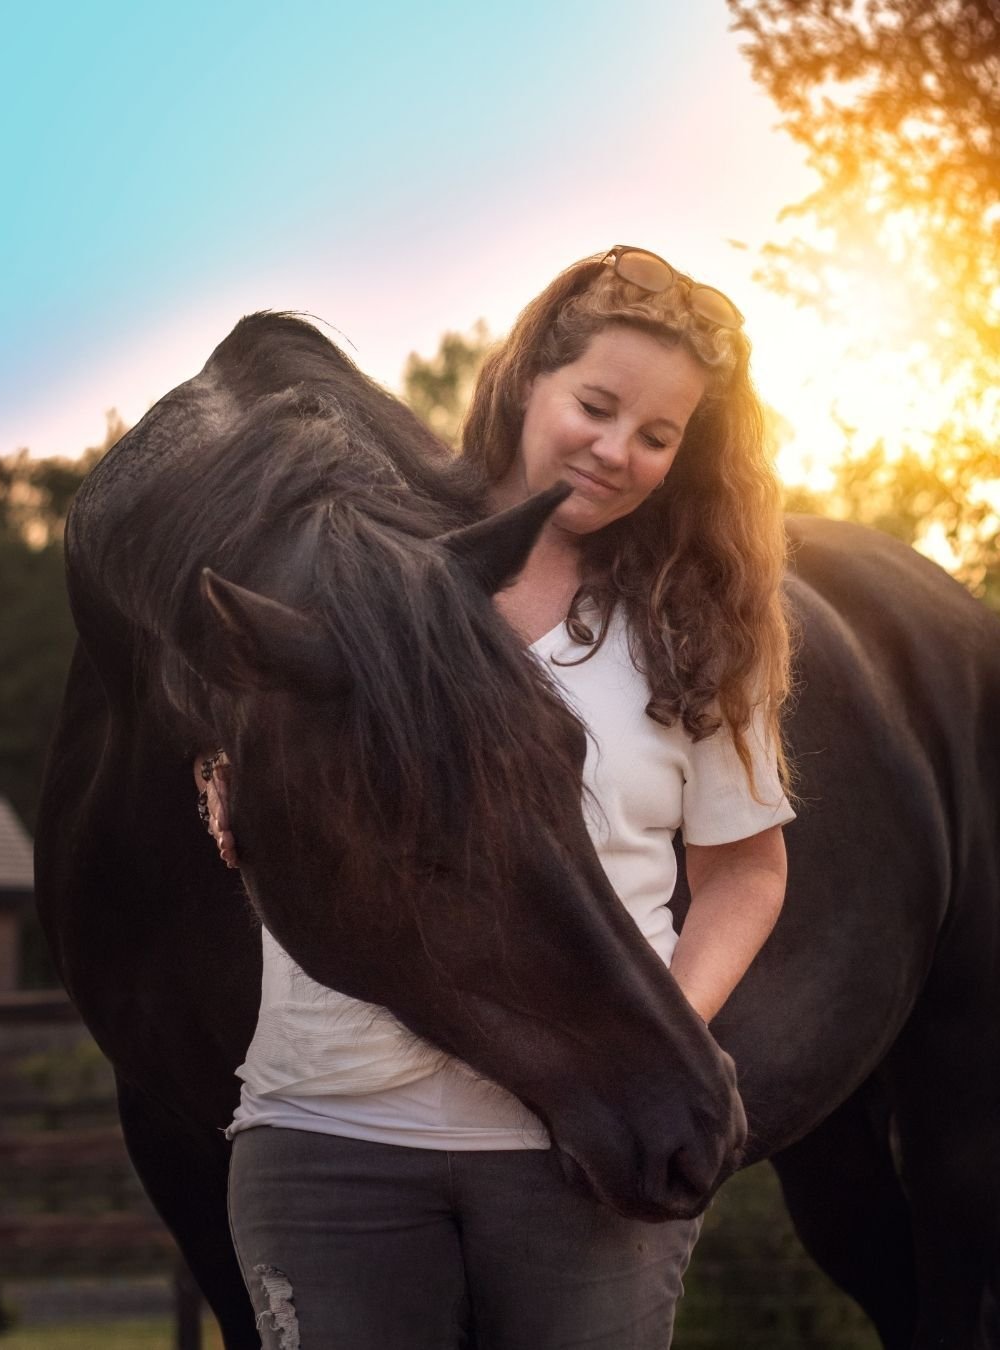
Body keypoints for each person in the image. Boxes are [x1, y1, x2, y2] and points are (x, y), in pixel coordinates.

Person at [198, 245, 795, 1349]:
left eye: (658, 436)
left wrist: (653, 1037)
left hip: (583, 1144)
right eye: (597, 405)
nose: (617, 452)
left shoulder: (694, 623)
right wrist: (217, 763)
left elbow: (747, 870)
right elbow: (202, 657)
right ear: (529, 380)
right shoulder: (349, 557)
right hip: (331, 1135)